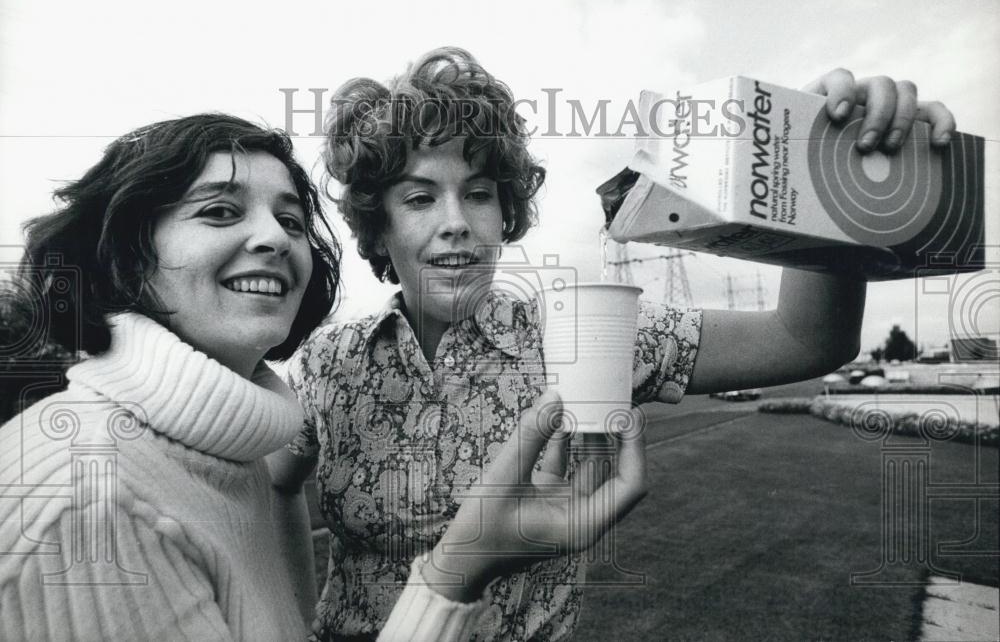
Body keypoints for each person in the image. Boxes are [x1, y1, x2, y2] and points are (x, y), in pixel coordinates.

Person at [270, 47, 957, 640]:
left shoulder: (579, 333)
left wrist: (821, 173)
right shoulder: (328, 367)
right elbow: (259, 500)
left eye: (478, 193)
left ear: (506, 212)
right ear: (377, 226)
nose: (456, 223)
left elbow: (805, 337)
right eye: (419, 199)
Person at [0, 113, 643, 641]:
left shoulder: (223, 444)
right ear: (123, 255)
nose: (274, 239)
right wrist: (458, 570)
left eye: (290, 219)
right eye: (220, 212)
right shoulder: (89, 503)